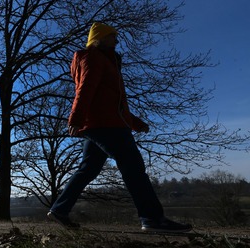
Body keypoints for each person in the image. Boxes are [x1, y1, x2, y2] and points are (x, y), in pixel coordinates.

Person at [47, 22, 192, 233]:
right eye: (113, 36)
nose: (117, 40)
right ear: (100, 38)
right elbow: (86, 89)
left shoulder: (105, 60)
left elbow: (112, 103)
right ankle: (152, 218)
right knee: (133, 166)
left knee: (88, 169)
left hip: (102, 123)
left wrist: (135, 123)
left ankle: (60, 209)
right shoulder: (95, 58)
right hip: (105, 125)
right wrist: (75, 119)